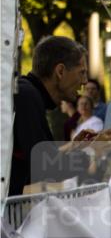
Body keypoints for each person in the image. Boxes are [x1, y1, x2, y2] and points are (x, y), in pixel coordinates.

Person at [10, 36, 95, 195]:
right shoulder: (27, 96)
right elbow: (46, 168)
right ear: (60, 71)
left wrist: (74, 146)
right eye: (81, 73)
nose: (84, 81)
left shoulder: (28, 93)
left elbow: (43, 158)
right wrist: (93, 153)